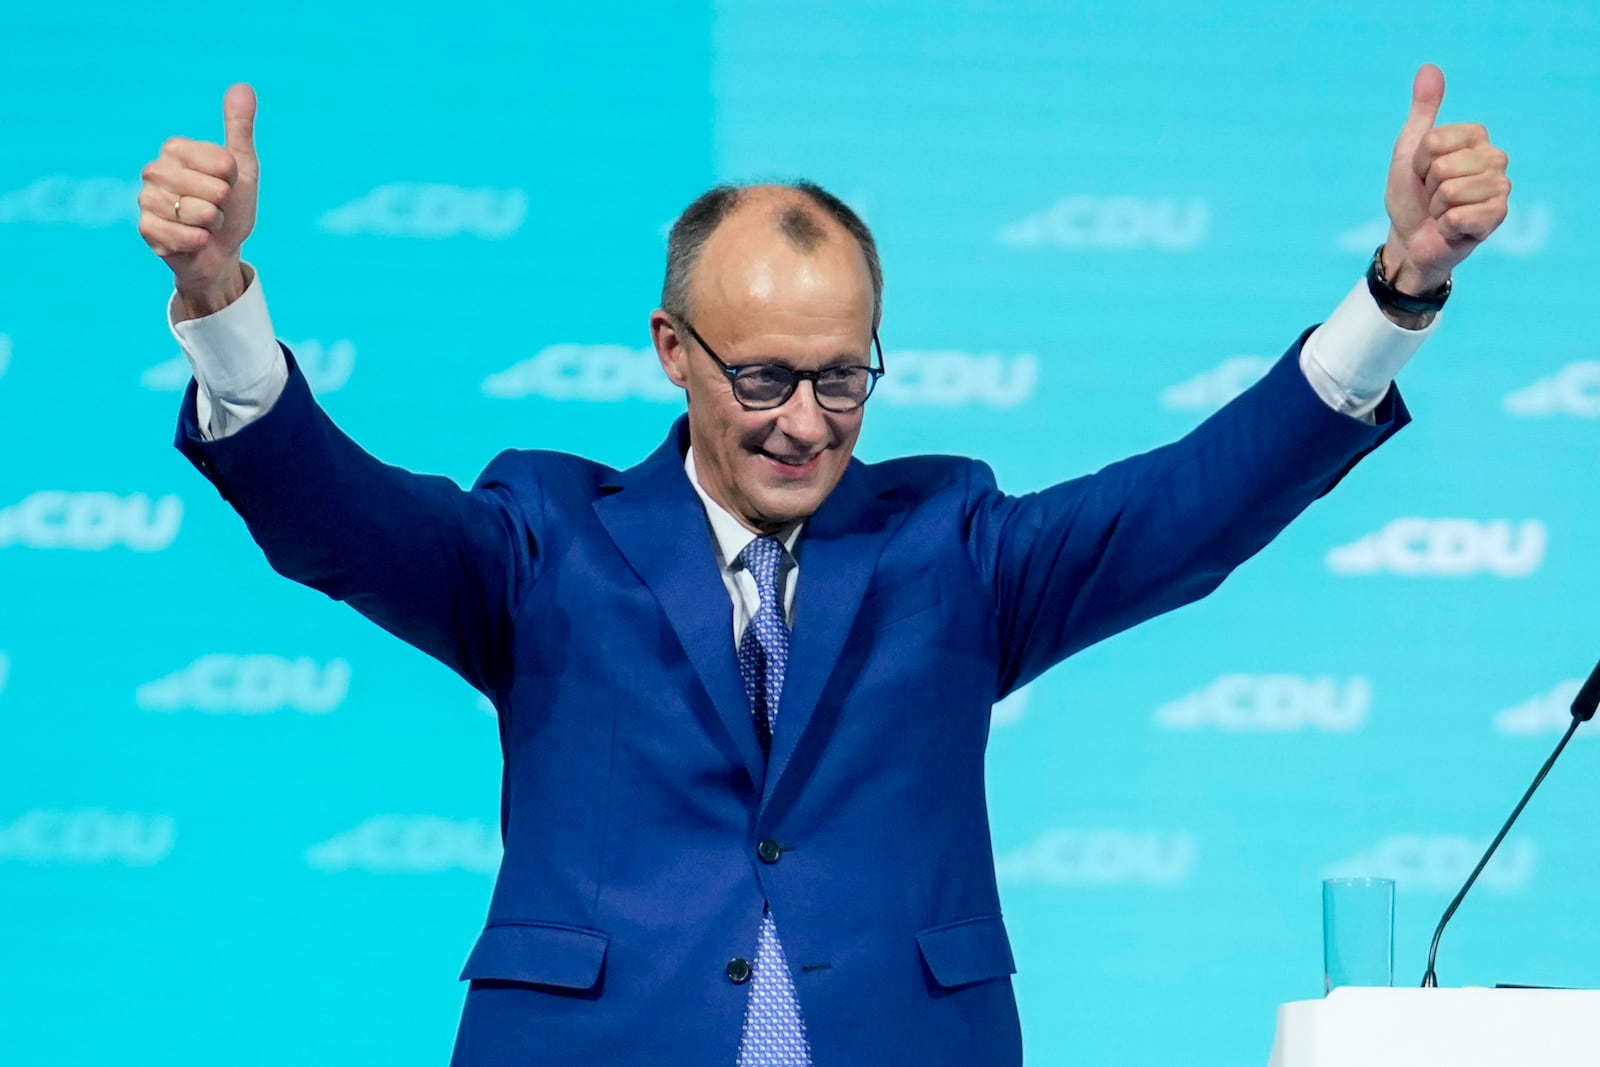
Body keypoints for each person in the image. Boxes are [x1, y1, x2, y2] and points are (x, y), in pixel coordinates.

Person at [138, 65, 1508, 1066]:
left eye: (845, 379)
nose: (807, 422)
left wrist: (1398, 290)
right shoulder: (545, 540)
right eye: (765, 378)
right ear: (672, 352)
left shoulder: (951, 544)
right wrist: (219, 305)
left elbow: (1194, 506)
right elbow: (333, 514)